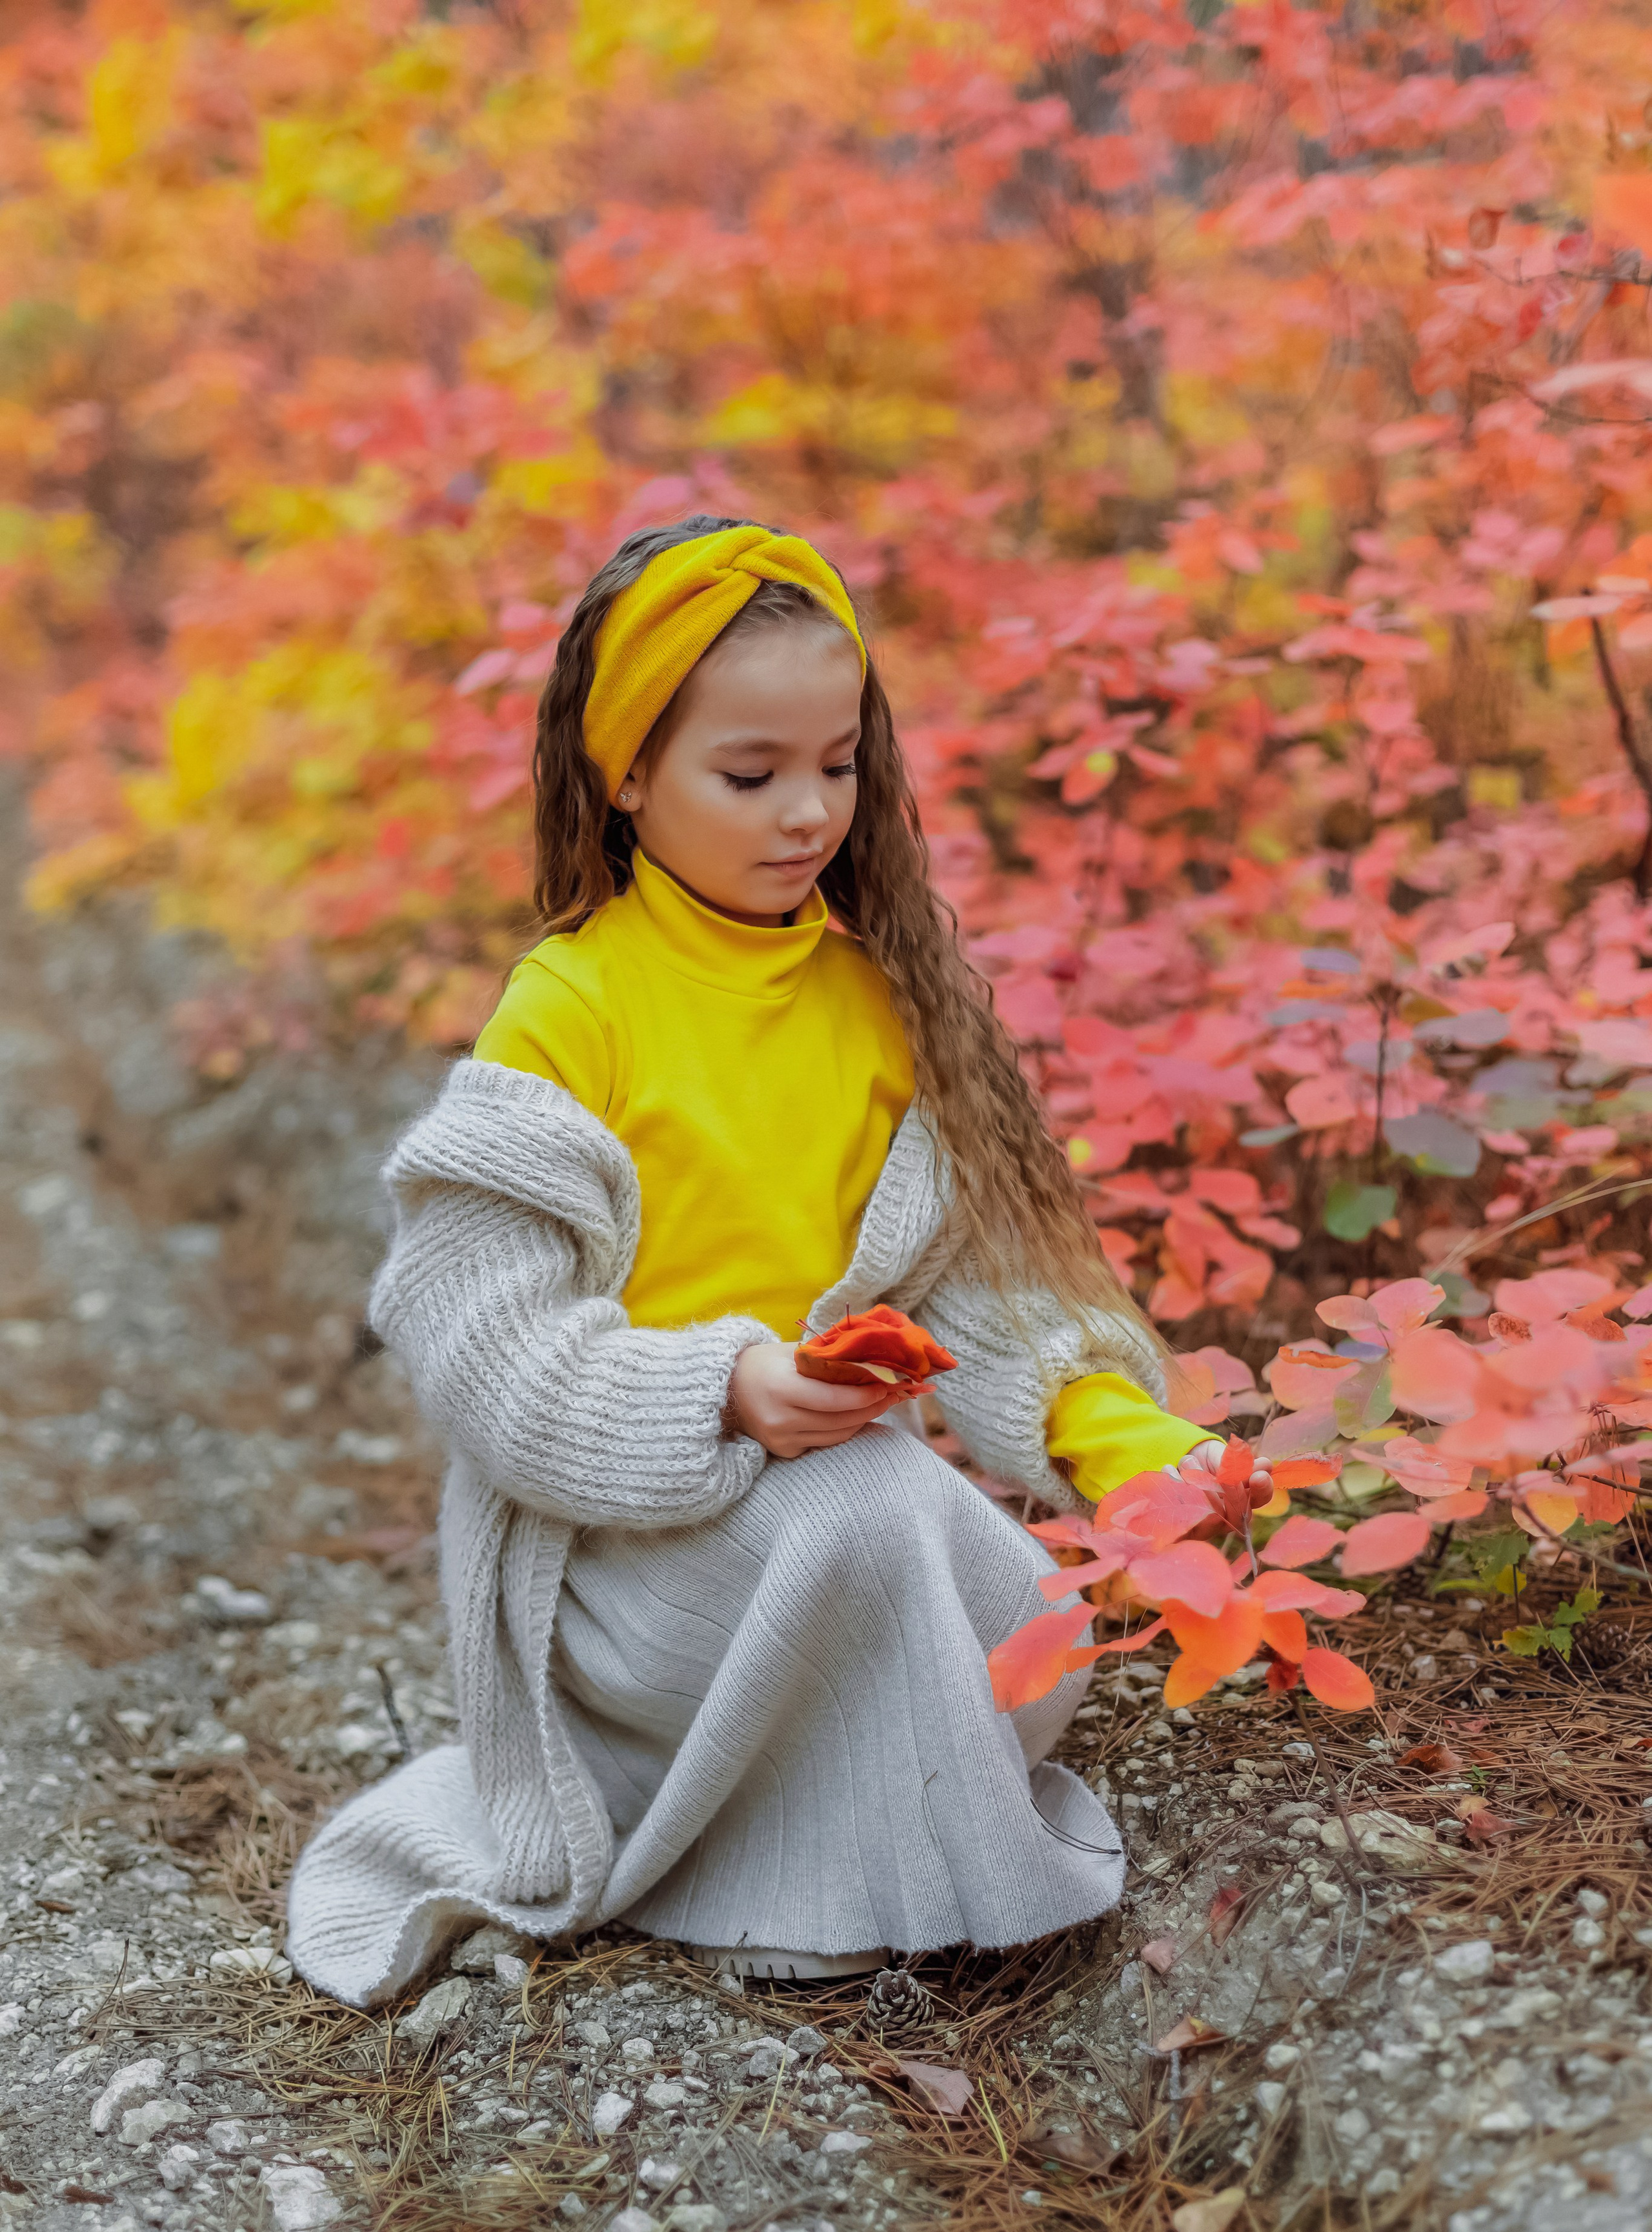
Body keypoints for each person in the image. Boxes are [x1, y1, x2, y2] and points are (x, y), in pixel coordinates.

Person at [286, 516, 1268, 2009]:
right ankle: (779, 1870)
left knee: (1030, 1622)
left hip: (810, 1524)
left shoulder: (876, 1000)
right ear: (626, 778)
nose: (807, 811)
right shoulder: (572, 1010)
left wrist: (1122, 1443)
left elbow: (974, 1284)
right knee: (877, 1503)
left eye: (837, 763)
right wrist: (728, 1390)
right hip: (619, 1561)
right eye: (748, 776)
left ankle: (819, 1815)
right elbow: (488, 1358)